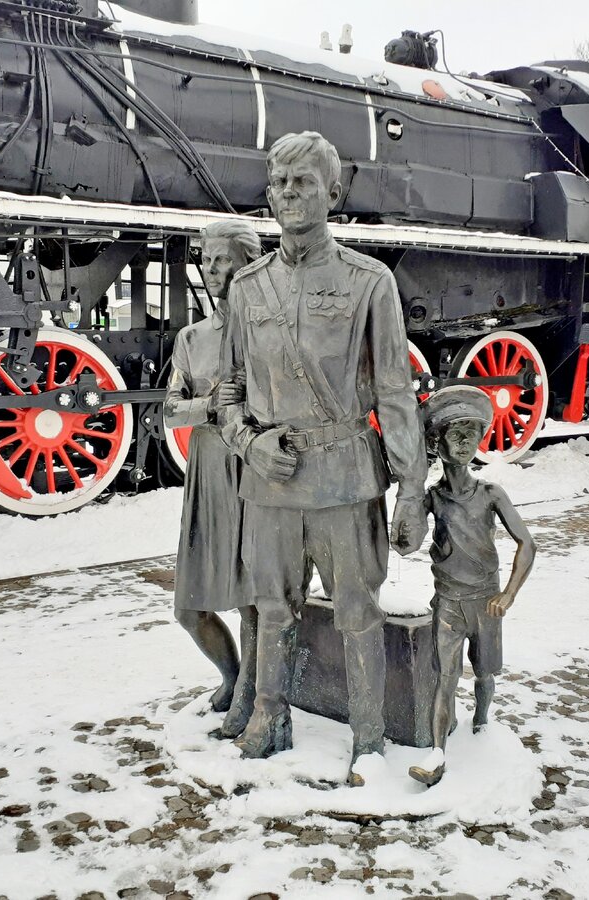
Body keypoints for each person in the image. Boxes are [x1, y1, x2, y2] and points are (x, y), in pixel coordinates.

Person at [221, 131, 429, 786]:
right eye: (279, 183)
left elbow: (395, 393)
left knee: (357, 611)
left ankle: (368, 736)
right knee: (271, 608)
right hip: (271, 483)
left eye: (303, 182)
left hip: (344, 478)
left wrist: (413, 488)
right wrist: (249, 441)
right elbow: (226, 393)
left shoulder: (371, 283)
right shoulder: (248, 287)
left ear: (332, 193)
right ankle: (268, 714)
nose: (288, 195)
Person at [408, 386, 536, 788]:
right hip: (447, 602)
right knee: (446, 678)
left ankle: (482, 727)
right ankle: (437, 753)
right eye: (454, 432)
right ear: (437, 443)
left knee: (484, 674)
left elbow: (527, 543)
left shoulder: (491, 494)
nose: (464, 441)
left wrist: (508, 595)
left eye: (471, 431)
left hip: (485, 602)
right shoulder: (433, 498)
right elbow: (405, 538)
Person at [166, 220, 262, 739]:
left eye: (222, 260)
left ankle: (252, 690)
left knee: (253, 598)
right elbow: (168, 412)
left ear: (247, 264)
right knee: (189, 607)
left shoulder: (268, 335)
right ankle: (232, 674)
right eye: (206, 259)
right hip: (207, 472)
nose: (211, 269)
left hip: (252, 472)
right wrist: (208, 404)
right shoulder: (191, 338)